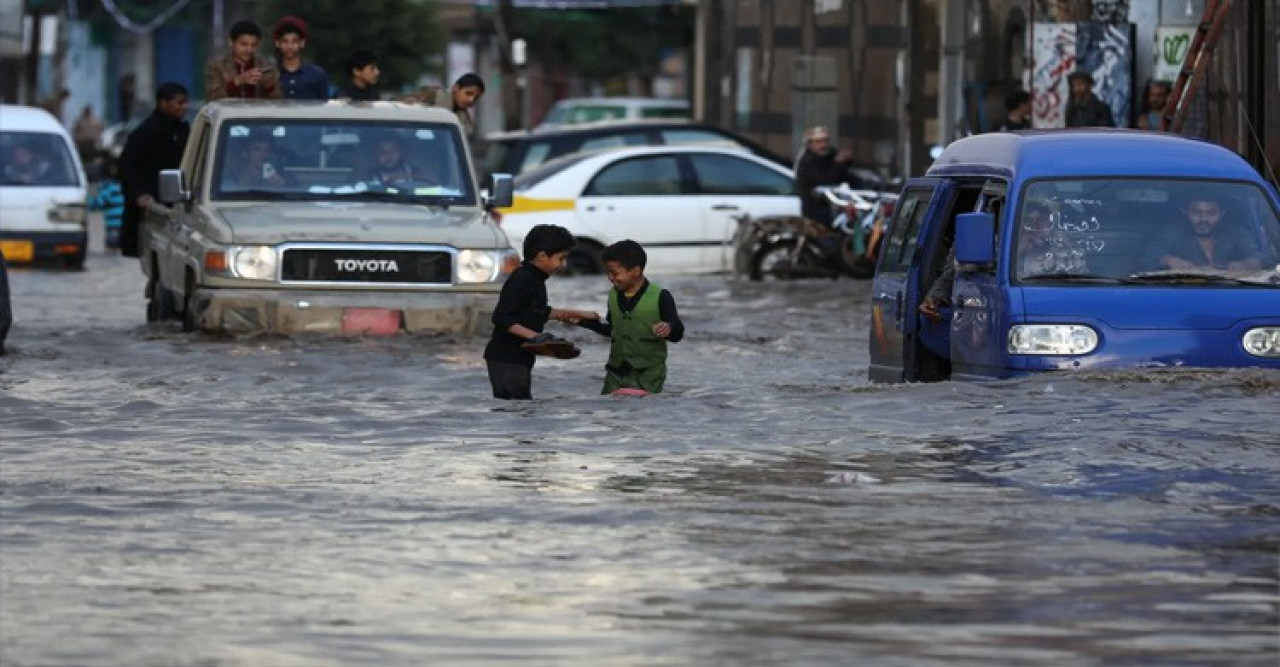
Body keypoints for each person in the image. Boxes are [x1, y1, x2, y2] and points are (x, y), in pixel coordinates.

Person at [483, 224, 599, 400]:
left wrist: (580, 314)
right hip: (506, 358)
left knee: (519, 407)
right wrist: (536, 337)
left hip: (519, 358)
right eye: (561, 258)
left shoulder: (536, 279)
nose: (564, 264)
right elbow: (501, 317)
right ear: (542, 256)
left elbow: (538, 312)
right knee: (516, 408)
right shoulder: (522, 279)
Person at [578, 240, 684, 395]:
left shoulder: (661, 296)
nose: (610, 278)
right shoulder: (613, 295)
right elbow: (612, 330)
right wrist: (583, 322)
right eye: (607, 272)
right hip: (615, 372)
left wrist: (669, 327)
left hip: (648, 375)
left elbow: (678, 333)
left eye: (614, 273)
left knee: (642, 415)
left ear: (635, 271)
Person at [118, 82, 190, 258]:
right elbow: (127, 165)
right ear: (163, 104)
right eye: (179, 103)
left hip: (178, 204)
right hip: (153, 207)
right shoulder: (146, 132)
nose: (184, 107)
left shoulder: (182, 131)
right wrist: (139, 194)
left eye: (185, 102)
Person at [1144, 193, 1261, 272]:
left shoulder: (1236, 232)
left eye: (1211, 213)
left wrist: (1246, 265)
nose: (1203, 219)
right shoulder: (1172, 232)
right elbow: (1149, 254)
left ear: (1222, 213)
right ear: (1184, 212)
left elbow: (1264, 258)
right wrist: (1168, 260)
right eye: (1196, 212)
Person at [205, 20, 282, 101]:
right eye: (244, 44)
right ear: (231, 42)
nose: (249, 49)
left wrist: (268, 87)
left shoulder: (267, 66)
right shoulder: (217, 66)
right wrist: (237, 81)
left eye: (254, 45)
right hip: (229, 113)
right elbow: (211, 98)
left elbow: (278, 101)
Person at [795, 125, 853, 226]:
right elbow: (825, 182)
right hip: (816, 211)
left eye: (825, 141)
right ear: (810, 144)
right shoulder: (807, 161)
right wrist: (838, 163)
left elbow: (845, 176)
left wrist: (846, 161)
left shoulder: (829, 154)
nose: (823, 145)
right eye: (818, 142)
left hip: (833, 208)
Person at [403, 73, 486, 134]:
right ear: (456, 88)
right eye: (468, 93)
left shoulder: (465, 119)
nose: (471, 100)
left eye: (476, 98)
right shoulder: (435, 95)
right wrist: (414, 99)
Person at [272, 15, 330, 100]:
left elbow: (324, 108)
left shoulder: (317, 75)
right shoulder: (270, 76)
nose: (290, 46)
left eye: (294, 41)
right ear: (277, 43)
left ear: (302, 43)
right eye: (285, 41)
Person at [89, 161, 125, 253]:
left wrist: (89, 203)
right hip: (123, 220)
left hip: (113, 222)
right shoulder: (122, 184)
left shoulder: (107, 186)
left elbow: (100, 202)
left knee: (111, 245)